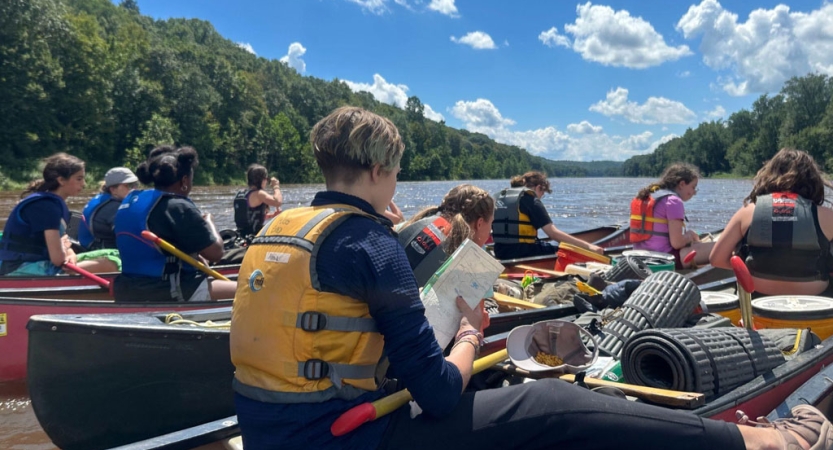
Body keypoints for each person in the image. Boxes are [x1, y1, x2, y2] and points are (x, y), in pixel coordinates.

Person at [230, 106, 832, 450]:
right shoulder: (367, 241)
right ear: (384, 169)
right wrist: (469, 336)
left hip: (272, 433)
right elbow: (438, 394)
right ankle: (763, 444)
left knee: (497, 388)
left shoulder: (280, 226)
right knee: (554, 400)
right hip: (340, 440)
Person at [112, 146, 237, 302]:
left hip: (126, 290)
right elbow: (216, 254)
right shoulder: (177, 206)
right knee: (249, 290)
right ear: (184, 180)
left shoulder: (131, 201)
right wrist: (210, 222)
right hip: (168, 291)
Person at [710, 148, 833, 296]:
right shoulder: (827, 216)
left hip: (758, 299)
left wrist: (746, 269)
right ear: (813, 180)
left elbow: (716, 259)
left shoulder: (747, 212)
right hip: (816, 303)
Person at [0, 153, 102, 276]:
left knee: (113, 255)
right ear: (61, 180)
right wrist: (64, 248)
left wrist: (71, 254)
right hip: (19, 269)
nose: (83, 184)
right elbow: (58, 259)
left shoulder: (51, 203)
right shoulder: (47, 207)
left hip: (32, 264)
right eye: (79, 179)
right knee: (111, 263)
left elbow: (64, 243)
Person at [492, 171, 603, 260]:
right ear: (539, 187)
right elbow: (553, 233)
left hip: (500, 252)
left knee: (542, 244)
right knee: (564, 252)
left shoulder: (499, 198)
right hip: (523, 252)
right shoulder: (530, 199)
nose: (540, 196)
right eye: (542, 193)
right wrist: (589, 247)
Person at [398, 184, 494, 286]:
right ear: (479, 223)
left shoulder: (414, 223)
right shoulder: (472, 262)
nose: (491, 230)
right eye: (491, 223)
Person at [630, 163, 714, 268]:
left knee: (698, 246)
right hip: (664, 260)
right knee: (720, 247)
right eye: (693, 187)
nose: (694, 192)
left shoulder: (647, 196)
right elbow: (677, 243)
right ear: (682, 184)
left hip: (638, 257)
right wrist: (689, 236)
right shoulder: (674, 201)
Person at [233, 164, 283, 238]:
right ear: (262, 180)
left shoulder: (240, 194)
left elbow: (248, 217)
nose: (266, 181)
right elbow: (277, 202)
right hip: (254, 235)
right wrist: (276, 186)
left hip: (241, 234)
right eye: (266, 178)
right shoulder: (259, 194)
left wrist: (271, 215)